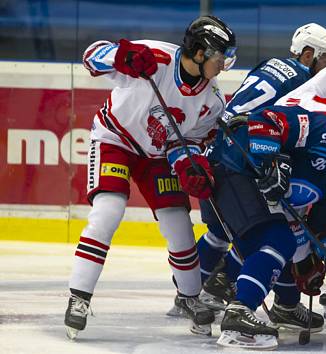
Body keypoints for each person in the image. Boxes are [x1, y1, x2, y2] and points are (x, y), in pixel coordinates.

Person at [64, 15, 236, 339]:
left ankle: (189, 297)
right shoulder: (153, 57)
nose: (223, 64)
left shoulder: (212, 101)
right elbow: (91, 57)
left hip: (156, 156)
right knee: (108, 212)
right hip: (115, 139)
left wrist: (189, 165)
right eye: (219, 55)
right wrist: (119, 56)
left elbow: (190, 143)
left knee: (179, 223)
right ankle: (79, 297)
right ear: (199, 53)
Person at [170, 22, 326, 314]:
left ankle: (189, 296)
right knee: (272, 233)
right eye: (325, 59)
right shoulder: (305, 83)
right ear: (309, 54)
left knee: (219, 233)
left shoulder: (269, 65)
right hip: (240, 158)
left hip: (215, 151)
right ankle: (225, 290)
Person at [207, 102, 326, 350]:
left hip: (247, 181)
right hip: (237, 164)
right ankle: (239, 311)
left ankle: (261, 296)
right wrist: (272, 160)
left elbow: (313, 227)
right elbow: (266, 118)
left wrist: (310, 262)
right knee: (276, 240)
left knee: (279, 241)